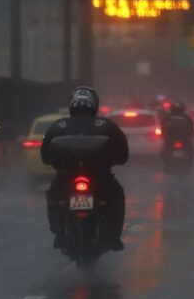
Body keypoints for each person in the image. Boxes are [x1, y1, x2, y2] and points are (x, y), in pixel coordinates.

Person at [41, 86, 129, 251]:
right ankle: (113, 237)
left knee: (52, 194)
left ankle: (59, 232)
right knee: (117, 195)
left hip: (67, 177)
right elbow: (123, 153)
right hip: (100, 177)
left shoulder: (58, 126)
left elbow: (44, 156)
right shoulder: (107, 125)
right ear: (94, 105)